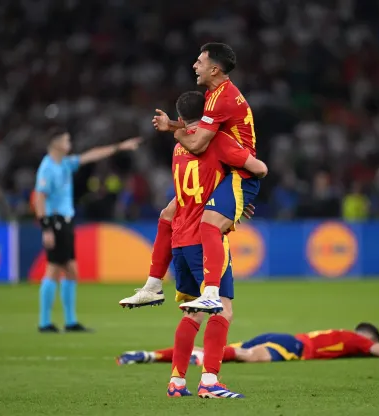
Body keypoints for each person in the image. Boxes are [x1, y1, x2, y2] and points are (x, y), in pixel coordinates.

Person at [124, 91, 267, 399]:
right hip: (206, 240)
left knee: (192, 314)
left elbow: (186, 196)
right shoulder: (215, 141)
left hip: (180, 241)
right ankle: (210, 381)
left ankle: (176, 382)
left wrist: (235, 202)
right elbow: (257, 169)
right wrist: (239, 200)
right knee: (222, 311)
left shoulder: (179, 147)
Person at [33, 128, 142, 333]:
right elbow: (39, 198)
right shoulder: (47, 167)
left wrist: (119, 147)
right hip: (55, 221)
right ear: (56, 143)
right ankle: (46, 322)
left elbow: (91, 155)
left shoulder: (64, 164)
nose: (69, 143)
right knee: (55, 269)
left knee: (70, 271)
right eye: (66, 140)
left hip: (64, 221)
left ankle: (69, 321)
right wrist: (46, 228)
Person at [117, 323, 379, 366]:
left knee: (218, 352)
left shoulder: (339, 335)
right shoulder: (357, 340)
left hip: (281, 336)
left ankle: (150, 355)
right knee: (250, 356)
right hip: (295, 347)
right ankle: (194, 360)